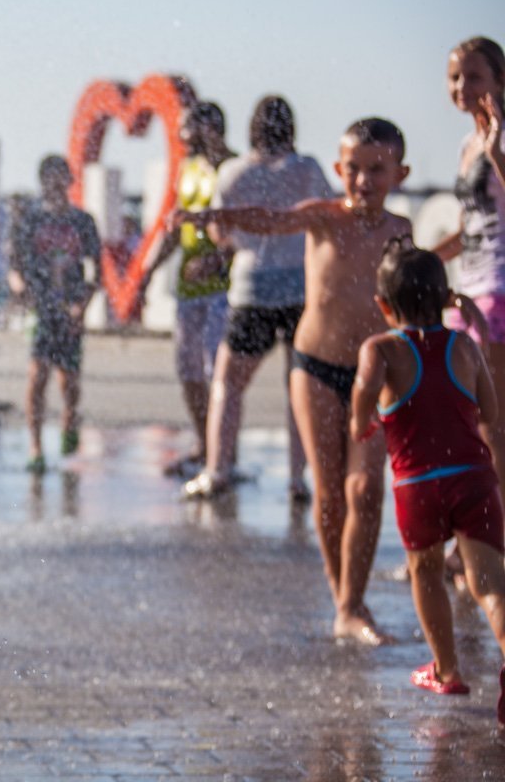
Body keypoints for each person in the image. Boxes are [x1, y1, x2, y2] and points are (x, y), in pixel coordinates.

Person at [174, 117, 412, 645]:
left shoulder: (400, 231)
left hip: (375, 373)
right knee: (329, 490)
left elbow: (414, 292)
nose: (363, 181)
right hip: (316, 366)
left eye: (377, 169)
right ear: (337, 170)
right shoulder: (323, 216)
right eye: (353, 169)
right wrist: (215, 216)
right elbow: (271, 219)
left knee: (366, 488)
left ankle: (353, 601)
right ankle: (344, 601)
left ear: (400, 173)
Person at [349, 241, 505, 726]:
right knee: (490, 584)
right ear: (444, 297)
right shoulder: (464, 347)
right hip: (474, 480)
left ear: (383, 305)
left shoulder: (381, 349)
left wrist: (362, 422)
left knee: (427, 572)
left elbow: (363, 396)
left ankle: (446, 669)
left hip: (418, 487)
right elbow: (490, 413)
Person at [180, 96, 332, 500]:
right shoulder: (308, 169)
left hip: (253, 289)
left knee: (228, 383)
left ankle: (217, 469)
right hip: (300, 288)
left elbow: (220, 234)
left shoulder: (234, 173)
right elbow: (327, 218)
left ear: (253, 128)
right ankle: (297, 478)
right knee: (298, 386)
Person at [143, 101, 235, 478]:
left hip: (225, 289)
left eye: (186, 129)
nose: (181, 137)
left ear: (209, 128)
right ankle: (204, 443)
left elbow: (249, 228)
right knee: (189, 371)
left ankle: (224, 453)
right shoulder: (190, 168)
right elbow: (176, 226)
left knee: (220, 374)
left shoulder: (234, 169)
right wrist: (149, 270)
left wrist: (217, 260)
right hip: (189, 287)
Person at [435, 37, 505, 489]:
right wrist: (422, 258)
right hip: (469, 287)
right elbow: (470, 229)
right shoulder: (467, 144)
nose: (462, 86)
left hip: (500, 290)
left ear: (500, 81)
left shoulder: (499, 138)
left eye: (474, 77)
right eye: (454, 77)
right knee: (464, 417)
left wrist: (497, 152)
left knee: (493, 424)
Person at [6, 155, 101, 472]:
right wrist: (20, 288)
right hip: (41, 308)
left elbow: (96, 270)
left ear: (70, 181)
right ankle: (35, 446)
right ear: (42, 182)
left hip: (71, 308)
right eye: (49, 178)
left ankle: (69, 422)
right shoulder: (30, 220)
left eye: (61, 177)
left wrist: (82, 306)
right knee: (37, 376)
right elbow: (14, 265)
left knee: (69, 380)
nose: (55, 184)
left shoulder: (83, 221)